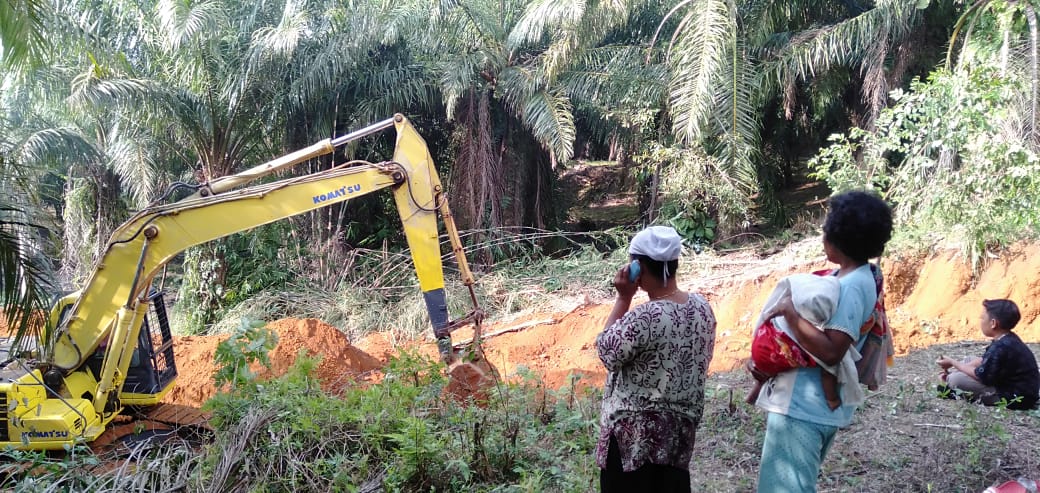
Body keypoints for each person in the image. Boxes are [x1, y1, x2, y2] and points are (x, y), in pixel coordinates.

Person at [748, 190, 893, 492]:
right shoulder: (858, 275)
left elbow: (832, 350)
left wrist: (790, 315)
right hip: (808, 405)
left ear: (838, 239)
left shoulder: (853, 285)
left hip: (803, 407)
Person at [595, 225, 717, 493]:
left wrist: (623, 297)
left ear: (637, 266)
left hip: (633, 447)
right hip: (677, 440)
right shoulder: (702, 308)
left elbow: (607, 351)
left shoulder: (645, 317)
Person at [936, 299, 1039, 410]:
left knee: (955, 380)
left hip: (1016, 397)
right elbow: (984, 361)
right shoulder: (1008, 338)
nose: (980, 321)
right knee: (969, 360)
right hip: (1015, 387)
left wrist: (953, 363)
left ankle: (954, 390)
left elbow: (982, 377)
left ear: (993, 323)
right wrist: (961, 367)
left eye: (982, 318)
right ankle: (954, 383)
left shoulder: (1001, 347)